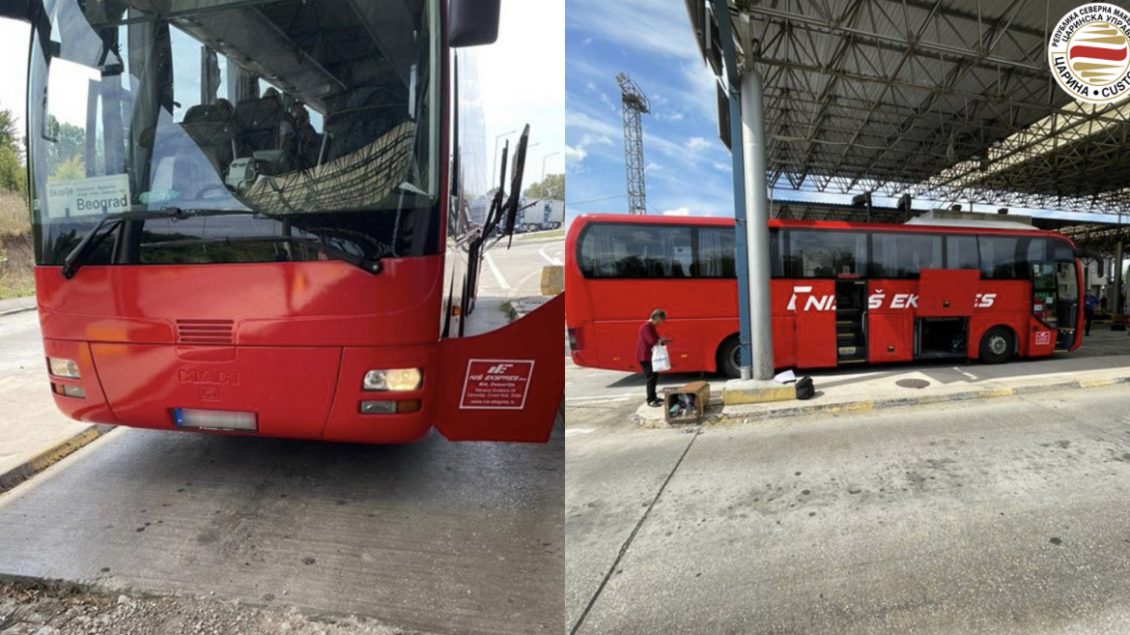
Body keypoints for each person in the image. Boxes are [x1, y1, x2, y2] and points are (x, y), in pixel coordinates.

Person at [636, 309, 672, 407]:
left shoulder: (651, 327)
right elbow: (653, 341)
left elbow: (656, 341)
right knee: (651, 377)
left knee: (655, 376)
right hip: (645, 357)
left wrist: (663, 341)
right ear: (657, 318)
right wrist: (662, 340)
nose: (662, 323)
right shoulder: (646, 327)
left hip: (650, 356)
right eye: (662, 320)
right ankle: (650, 400)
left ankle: (654, 396)